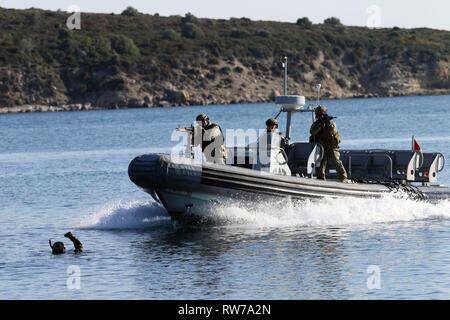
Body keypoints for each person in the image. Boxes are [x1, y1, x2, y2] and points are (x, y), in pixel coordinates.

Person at [309, 105, 348, 182]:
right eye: (319, 115)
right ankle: (321, 180)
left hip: (332, 146)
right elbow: (312, 132)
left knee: (336, 162)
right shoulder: (317, 124)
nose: (320, 116)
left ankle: (343, 178)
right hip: (322, 147)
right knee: (320, 165)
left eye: (321, 115)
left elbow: (333, 132)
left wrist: (328, 124)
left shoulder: (331, 123)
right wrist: (321, 125)